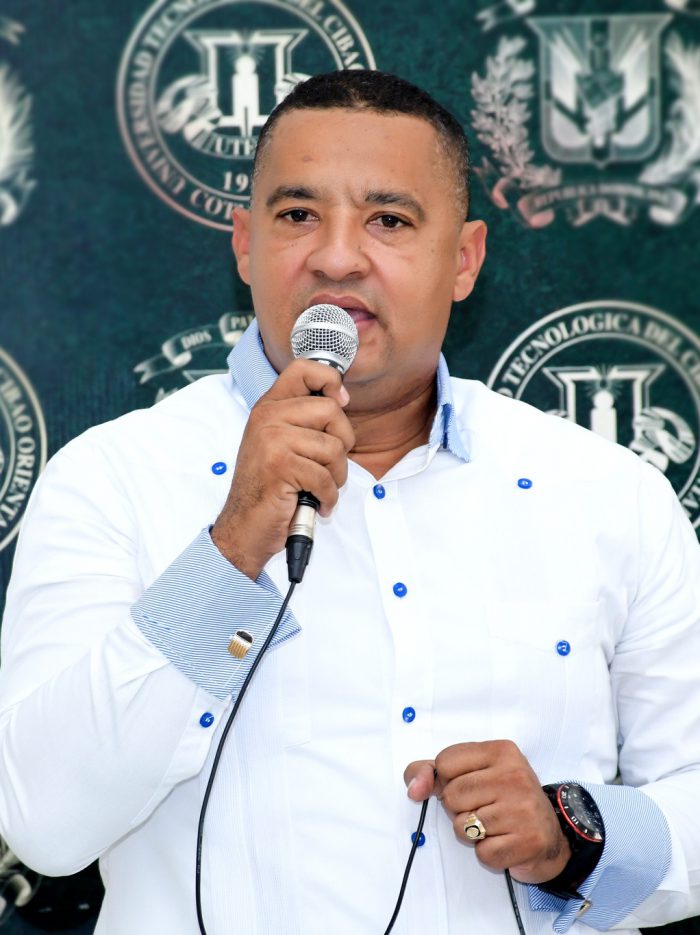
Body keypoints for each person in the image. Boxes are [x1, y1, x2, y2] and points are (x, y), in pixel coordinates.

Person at [1, 70, 699, 935]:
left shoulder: (607, 491)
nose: (336, 257)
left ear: (465, 259)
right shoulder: (111, 479)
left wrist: (577, 835)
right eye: (298, 215)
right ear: (245, 245)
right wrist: (229, 550)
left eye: (389, 220)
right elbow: (44, 821)